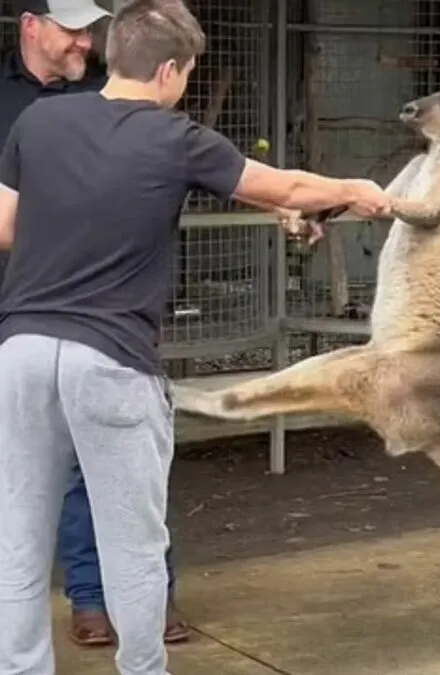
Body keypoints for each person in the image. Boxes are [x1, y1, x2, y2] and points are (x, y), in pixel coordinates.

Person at [0, 0, 392, 672]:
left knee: (19, 537)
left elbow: (5, 227)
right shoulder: (175, 136)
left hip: (21, 350)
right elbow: (287, 185)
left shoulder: (40, 120)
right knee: (134, 544)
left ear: (112, 50)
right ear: (171, 71)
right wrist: (357, 188)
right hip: (112, 358)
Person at [0, 0, 192, 648]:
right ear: (32, 26)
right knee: (26, 498)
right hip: (26, 312)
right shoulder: (20, 109)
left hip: (91, 317)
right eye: (73, 28)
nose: (85, 39)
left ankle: (101, 597)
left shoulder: (100, 99)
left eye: (92, 29)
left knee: (101, 473)